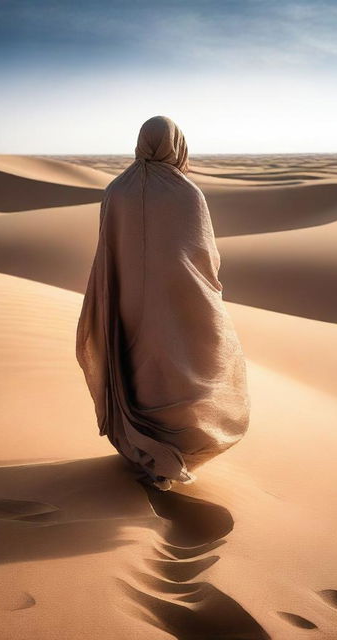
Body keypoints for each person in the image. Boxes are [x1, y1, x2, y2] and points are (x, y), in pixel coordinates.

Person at [75, 115, 250, 491]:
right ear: (177, 145)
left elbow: (107, 253)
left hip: (125, 305)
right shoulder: (185, 192)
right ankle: (168, 458)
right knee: (178, 379)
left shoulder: (116, 189)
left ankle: (145, 452)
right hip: (177, 305)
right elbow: (204, 256)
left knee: (137, 374)